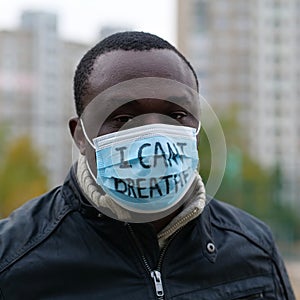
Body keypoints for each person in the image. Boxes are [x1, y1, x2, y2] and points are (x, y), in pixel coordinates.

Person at [0, 31, 295, 299]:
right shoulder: (13, 259)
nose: (154, 136)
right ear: (80, 135)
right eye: (122, 117)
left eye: (177, 115)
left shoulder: (253, 249)